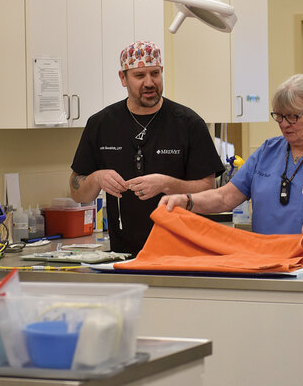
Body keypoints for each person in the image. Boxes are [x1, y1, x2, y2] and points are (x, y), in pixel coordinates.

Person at [160, 74, 303, 258]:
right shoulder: (267, 151)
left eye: (293, 116)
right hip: (268, 261)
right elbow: (225, 197)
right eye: (279, 116)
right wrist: (186, 201)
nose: (284, 124)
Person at [69, 40, 224, 254]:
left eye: (155, 74)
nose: (149, 83)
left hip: (181, 252)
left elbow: (208, 188)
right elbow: (77, 193)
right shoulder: (101, 124)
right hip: (123, 253)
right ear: (123, 78)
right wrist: (97, 178)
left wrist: (166, 184)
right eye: (139, 76)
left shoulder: (188, 123)